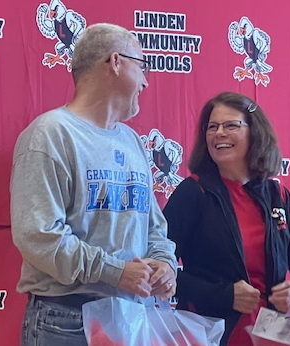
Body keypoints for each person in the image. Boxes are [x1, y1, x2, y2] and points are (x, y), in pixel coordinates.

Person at [10, 23, 177, 346]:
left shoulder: (133, 142)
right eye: (141, 67)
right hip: (66, 322)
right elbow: (39, 237)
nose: (145, 81)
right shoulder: (50, 134)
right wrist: (116, 271)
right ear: (115, 62)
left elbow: (153, 225)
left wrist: (165, 265)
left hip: (131, 318)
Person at [163, 91, 290, 346]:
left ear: (254, 132)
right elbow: (161, 271)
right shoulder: (193, 192)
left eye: (230, 125)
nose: (219, 133)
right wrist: (224, 296)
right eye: (212, 127)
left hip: (276, 333)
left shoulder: (277, 194)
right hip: (211, 334)